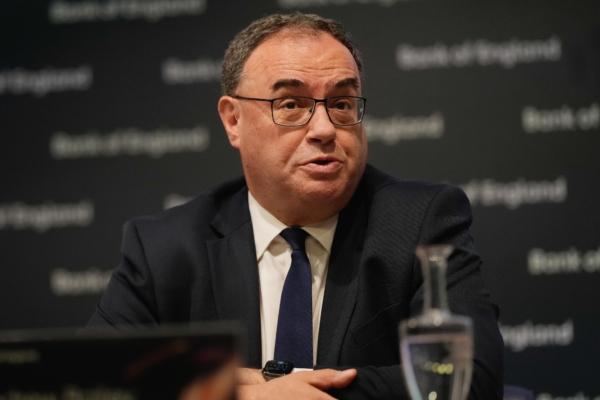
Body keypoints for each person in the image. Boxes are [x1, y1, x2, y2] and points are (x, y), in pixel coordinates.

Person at [89, 13, 503, 399]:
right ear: (233, 121)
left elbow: (471, 378)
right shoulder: (166, 247)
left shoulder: (420, 222)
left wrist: (266, 391)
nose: (324, 128)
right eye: (291, 105)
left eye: (341, 104)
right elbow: (94, 383)